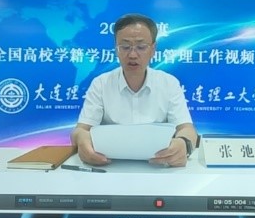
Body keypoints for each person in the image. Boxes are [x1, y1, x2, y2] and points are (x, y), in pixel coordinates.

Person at [72, 13, 199, 167]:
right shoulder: (101, 84)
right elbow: (81, 130)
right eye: (125, 47)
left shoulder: (169, 83)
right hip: (110, 168)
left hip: (158, 168)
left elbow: (187, 128)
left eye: (141, 47)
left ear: (153, 49)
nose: (132, 55)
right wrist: (82, 141)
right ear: (116, 49)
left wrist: (184, 144)